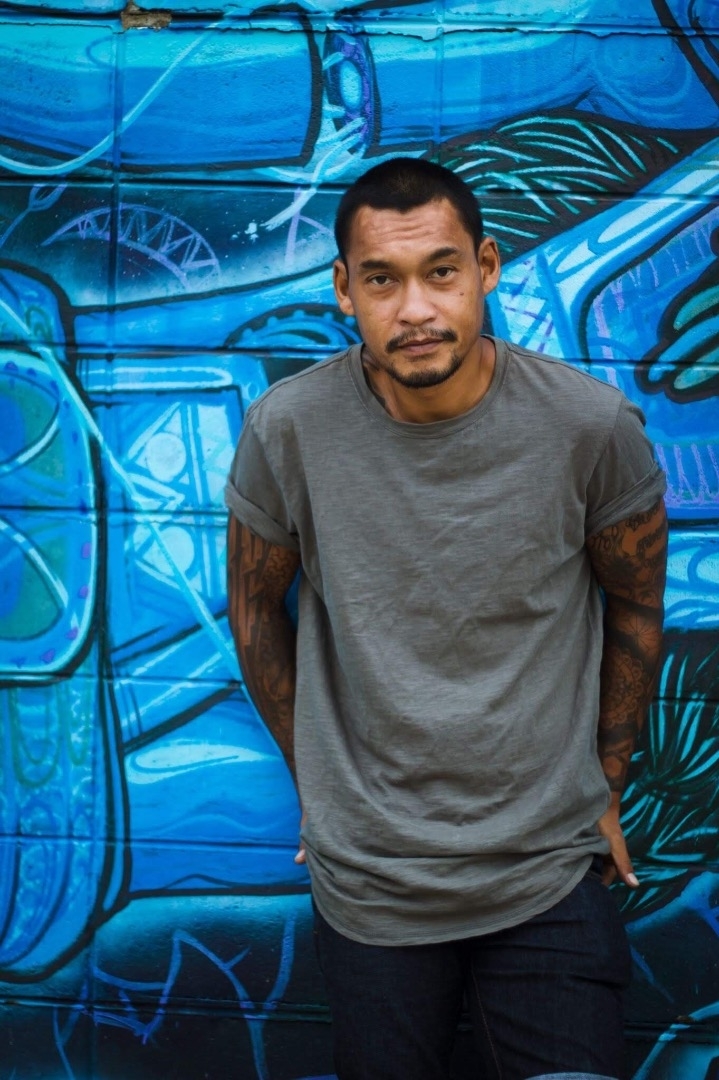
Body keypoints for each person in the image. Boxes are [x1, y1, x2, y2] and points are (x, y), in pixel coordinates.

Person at [225, 157, 667, 1080]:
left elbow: (634, 600)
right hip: (372, 890)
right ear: (344, 290)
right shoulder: (287, 429)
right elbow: (256, 605)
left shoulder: (587, 427)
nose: (415, 310)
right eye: (382, 280)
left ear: (486, 268)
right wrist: (318, 780)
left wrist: (605, 782)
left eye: (440, 272)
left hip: (546, 871)